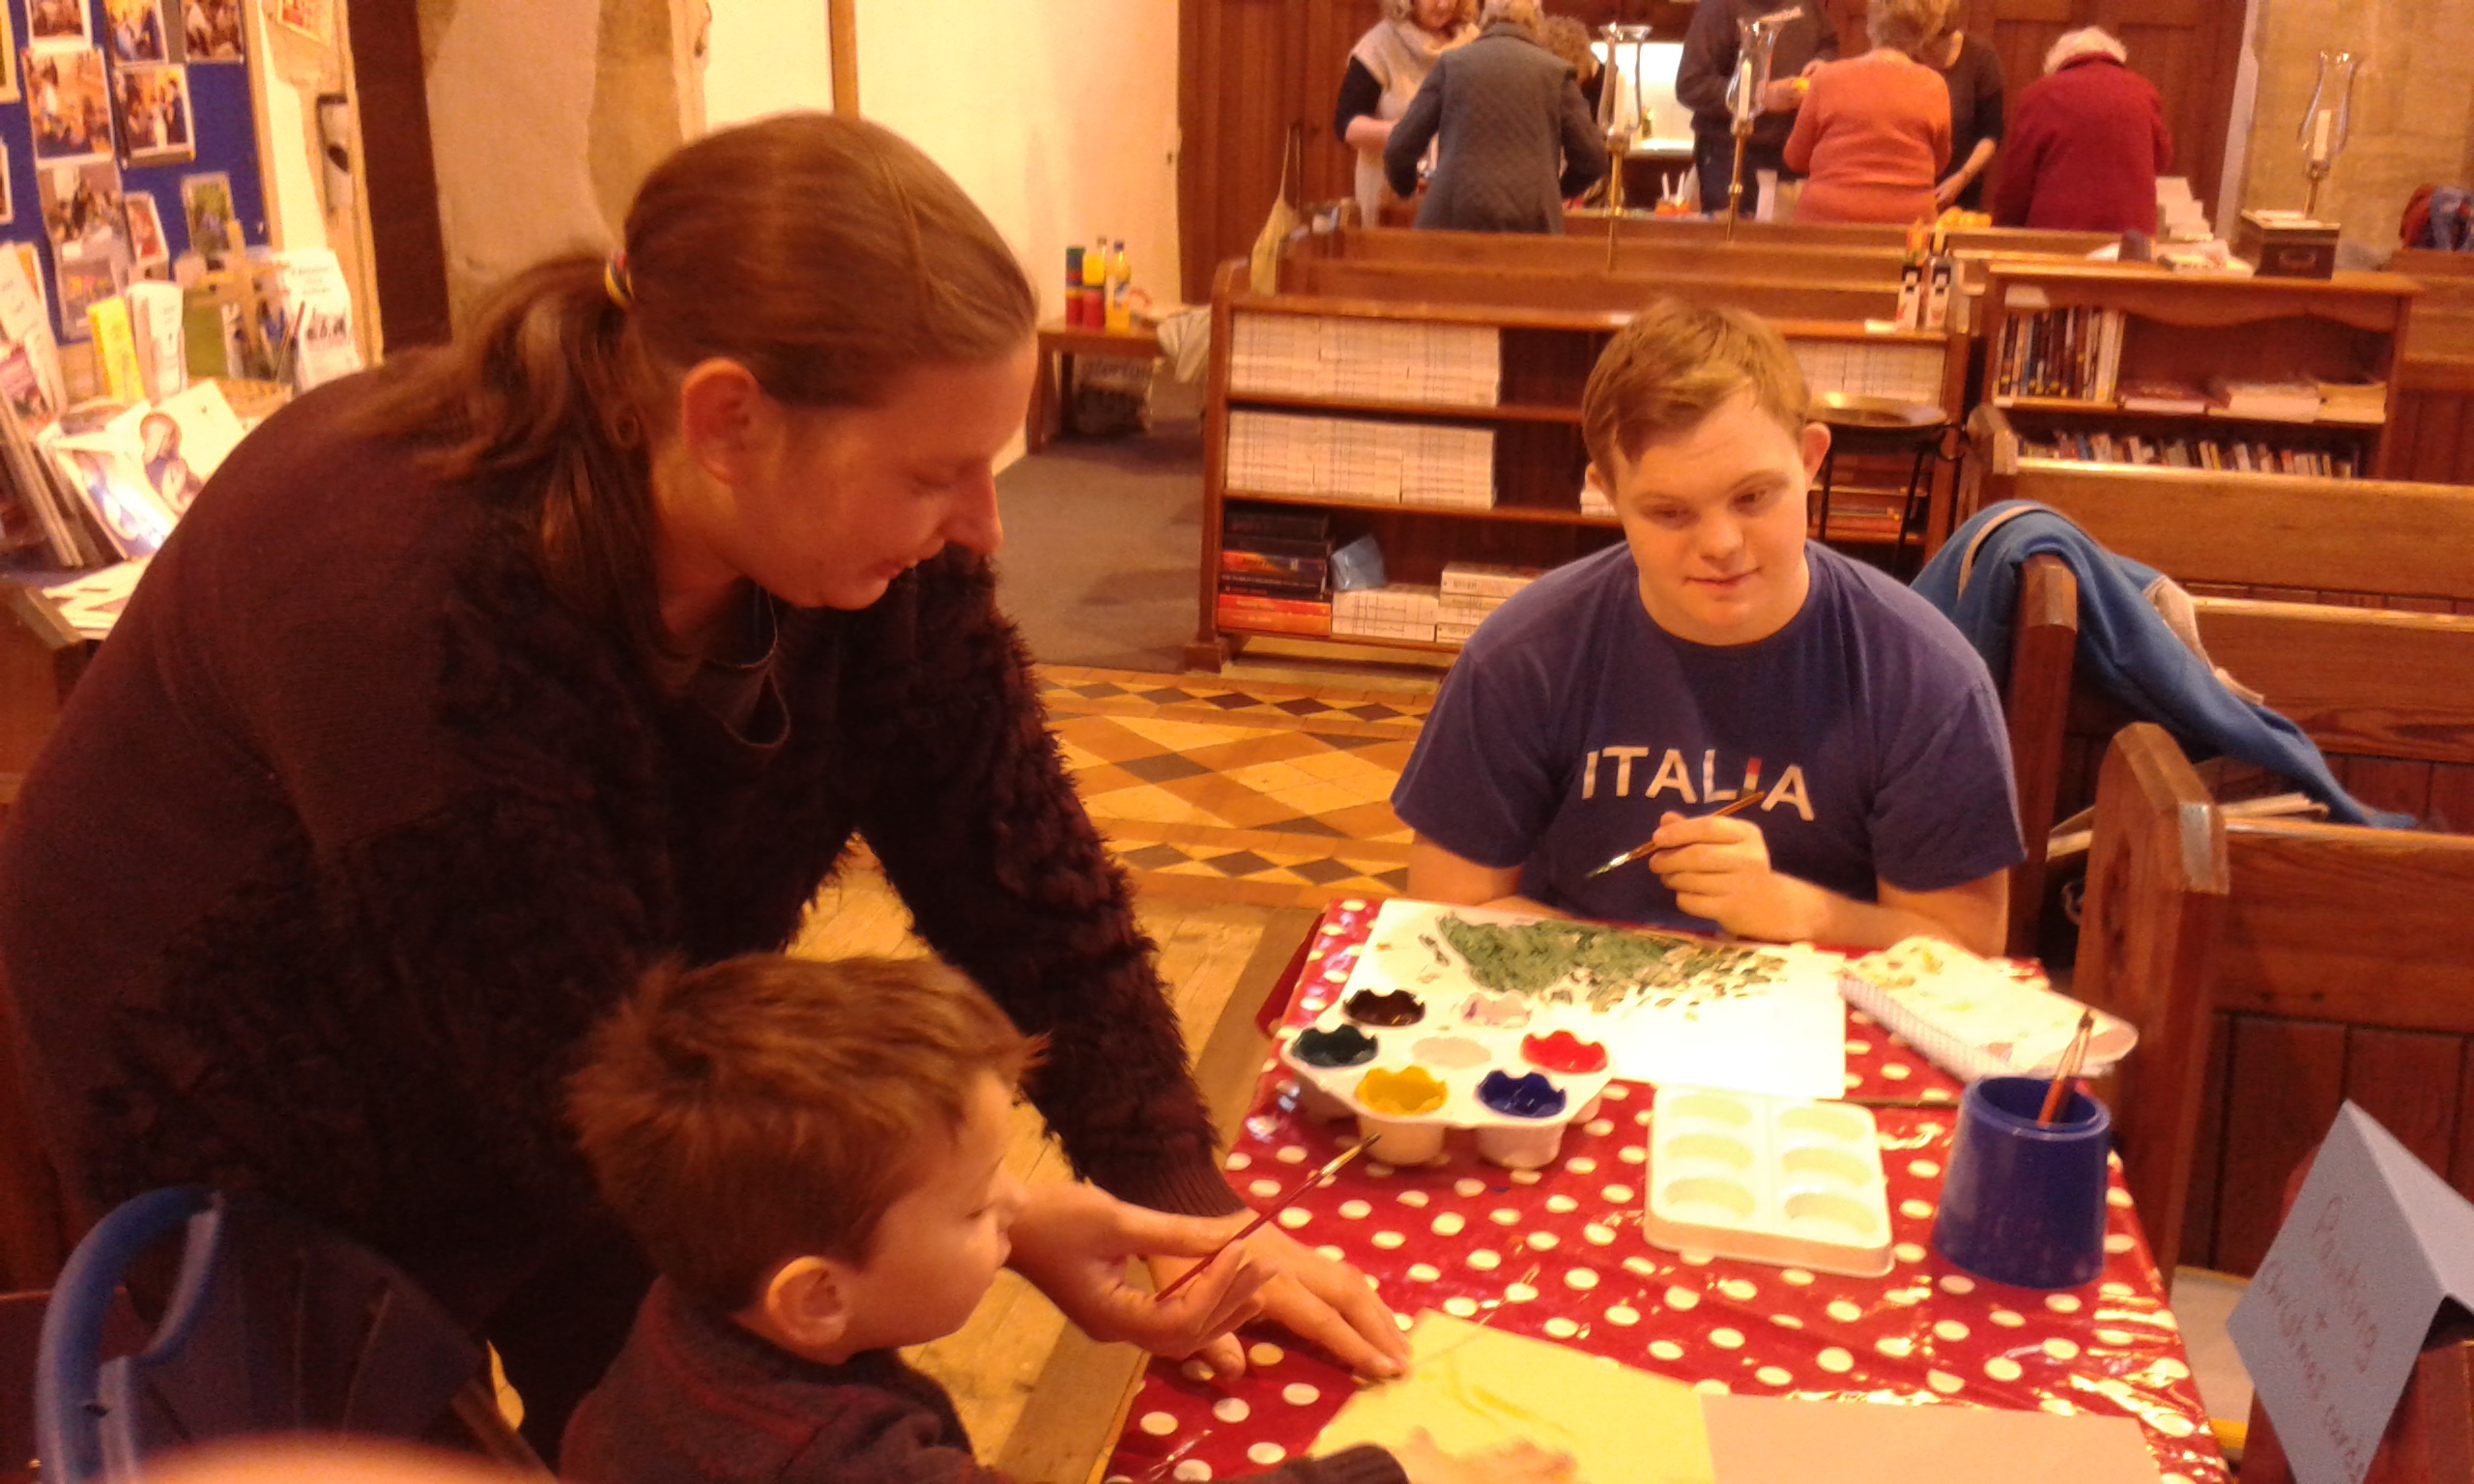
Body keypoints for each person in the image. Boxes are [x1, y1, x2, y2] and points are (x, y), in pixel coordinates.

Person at [0, 114, 1406, 1464]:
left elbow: (1022, 877)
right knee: (399, 1419)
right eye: (936, 473)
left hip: (590, 1059)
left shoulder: (873, 557)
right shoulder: (400, 588)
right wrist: (995, 1218)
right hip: (242, 1081)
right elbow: (581, 1081)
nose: (981, 529)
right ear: (727, 418)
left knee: (700, 1395)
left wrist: (1188, 1209)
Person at [561, 954, 1581, 1484]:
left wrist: (989, 1222)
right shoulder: (831, 1463)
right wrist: (1394, 1473)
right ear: (818, 1297)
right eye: (977, 1204)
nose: (1019, 1205)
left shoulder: (697, 1303)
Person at [1392, 300, 2022, 954]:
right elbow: (1449, 906)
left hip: (1822, 1001)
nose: (1720, 544)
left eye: (1752, 497)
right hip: (1569, 995)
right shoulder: (1519, 658)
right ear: (1608, 494)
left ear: (1810, 459)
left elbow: (1966, 950)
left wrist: (1805, 912)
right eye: (1669, 512)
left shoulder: (1928, 678)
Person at [1382, 0, 1605, 234]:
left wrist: (1406, 189)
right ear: (1536, 25)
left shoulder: (1452, 65)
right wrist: (1558, 191)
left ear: (1484, 21)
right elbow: (1592, 158)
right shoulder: (1556, 73)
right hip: (1533, 225)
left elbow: (1399, 148)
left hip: (1450, 222)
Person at [1781, 0, 1950, 225]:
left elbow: (1795, 158)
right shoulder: (1935, 86)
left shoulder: (1826, 78)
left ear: (1871, 24)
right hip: (1909, 229)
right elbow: (1940, 162)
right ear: (1926, 32)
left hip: (1825, 225)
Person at [1992, 27, 2172, 235]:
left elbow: (2017, 180)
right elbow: (2162, 158)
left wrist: (2002, 231)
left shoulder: (2039, 95)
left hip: (2057, 233)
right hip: (2131, 236)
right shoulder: (2143, 91)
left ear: (2057, 63)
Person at [1674, 0, 1837, 220]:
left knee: (1788, 240)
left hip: (1793, 153)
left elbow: (1828, 43)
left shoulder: (1808, 4)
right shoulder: (1718, 7)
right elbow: (1691, 85)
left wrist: (1822, 63)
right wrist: (1761, 97)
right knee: (1736, 238)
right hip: (1732, 157)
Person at [1333, 0, 1476, 229]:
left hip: (1459, 199)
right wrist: (1406, 132)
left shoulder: (1474, 42)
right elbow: (1347, 126)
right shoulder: (1380, 45)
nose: (1444, 4)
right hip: (1392, 199)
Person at [1923, 16, 2002, 212]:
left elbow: (1991, 133)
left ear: (1948, 34)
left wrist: (1962, 177)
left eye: (1930, 47)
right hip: (1912, 186)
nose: (1925, 55)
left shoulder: (1980, 55)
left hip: (1962, 191)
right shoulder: (1907, 52)